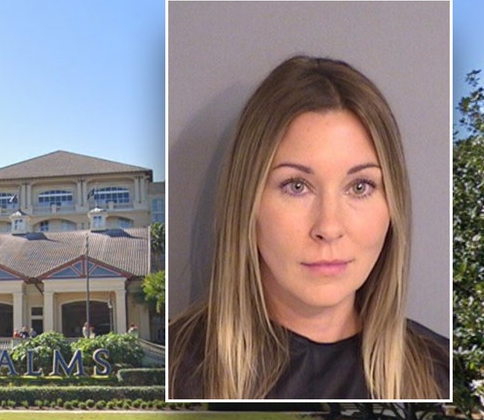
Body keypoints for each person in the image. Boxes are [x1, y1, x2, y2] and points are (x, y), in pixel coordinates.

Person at [168, 56, 449, 400]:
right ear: (247, 202)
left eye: (359, 187)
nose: (329, 227)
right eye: (296, 186)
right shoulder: (170, 372)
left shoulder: (446, 378)